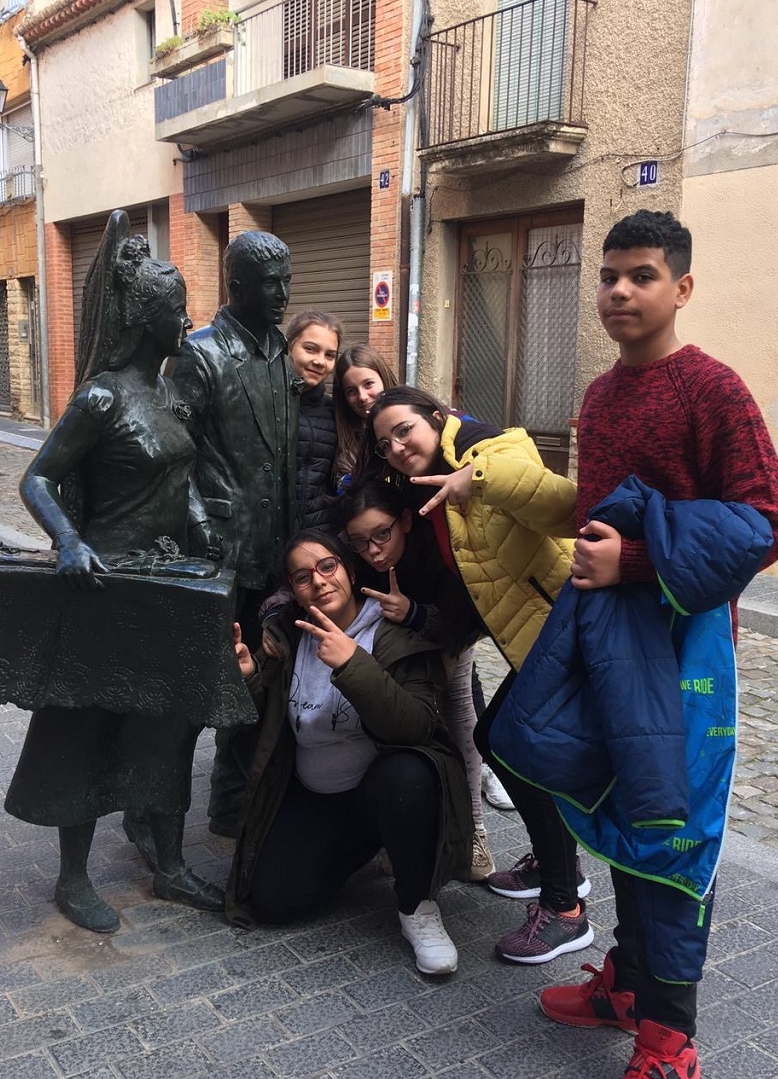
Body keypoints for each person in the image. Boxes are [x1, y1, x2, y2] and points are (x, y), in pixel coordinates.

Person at [537, 210, 778, 1079]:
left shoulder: (713, 389)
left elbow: (770, 521)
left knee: (674, 832)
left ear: (681, 288)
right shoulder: (601, 395)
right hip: (611, 642)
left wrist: (637, 563)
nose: (619, 290)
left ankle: (670, 1040)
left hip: (685, 654)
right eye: (609, 275)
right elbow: (594, 509)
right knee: (617, 805)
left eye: (641, 274)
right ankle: (627, 980)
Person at [7, 213, 224, 933]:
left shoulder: (169, 394)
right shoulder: (100, 397)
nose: (188, 319)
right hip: (103, 589)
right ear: (147, 320)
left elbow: (179, 476)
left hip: (166, 584)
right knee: (86, 732)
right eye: (178, 309)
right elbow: (38, 478)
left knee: (166, 725)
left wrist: (200, 520)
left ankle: (170, 865)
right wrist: (68, 540)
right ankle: (73, 878)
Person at [357, 386, 591, 965]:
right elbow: (462, 585)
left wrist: (479, 477)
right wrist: (415, 614)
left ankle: (565, 907)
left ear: (438, 418)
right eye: (385, 443)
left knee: (509, 745)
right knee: (504, 742)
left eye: (404, 429)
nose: (397, 446)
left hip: (571, 627)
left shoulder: (491, 447)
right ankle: (558, 869)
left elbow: (564, 506)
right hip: (537, 640)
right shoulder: (422, 490)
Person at [226, 531, 472, 975]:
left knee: (409, 775)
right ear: (294, 591)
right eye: (303, 577)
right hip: (316, 795)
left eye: (328, 566)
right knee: (274, 901)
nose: (319, 581)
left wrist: (353, 663)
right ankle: (369, 843)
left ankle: (417, 906)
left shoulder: (392, 632)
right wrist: (249, 678)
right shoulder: (286, 637)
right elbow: (257, 725)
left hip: (382, 786)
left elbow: (416, 727)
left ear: (350, 571)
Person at [168, 231, 299, 837]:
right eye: (271, 284)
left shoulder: (282, 352)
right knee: (197, 688)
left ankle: (231, 804)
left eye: (287, 281)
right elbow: (172, 458)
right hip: (218, 552)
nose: (283, 294)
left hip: (272, 554)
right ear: (237, 286)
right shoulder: (199, 355)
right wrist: (200, 525)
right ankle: (153, 813)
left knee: (257, 685)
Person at [343, 477, 496, 880]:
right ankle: (391, 833)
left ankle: (474, 833)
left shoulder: (442, 552)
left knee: (457, 708)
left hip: (449, 632)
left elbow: (463, 623)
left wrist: (413, 612)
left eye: (382, 534)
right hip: (390, 642)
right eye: (360, 542)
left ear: (406, 521)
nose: (373, 550)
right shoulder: (355, 558)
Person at [285, 310, 344, 530]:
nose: (320, 362)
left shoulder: (335, 412)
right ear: (289, 347)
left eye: (330, 355)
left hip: (319, 535)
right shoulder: (262, 401)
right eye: (310, 349)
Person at [332, 343, 398, 484]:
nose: (362, 397)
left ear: (384, 378)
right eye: (351, 391)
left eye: (368, 384)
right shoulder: (345, 448)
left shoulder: (413, 417)